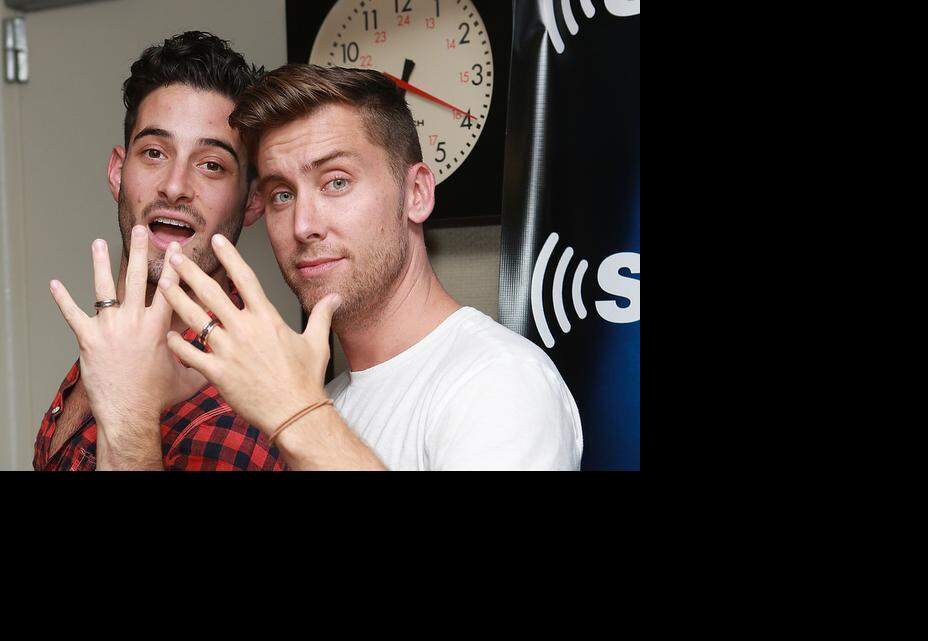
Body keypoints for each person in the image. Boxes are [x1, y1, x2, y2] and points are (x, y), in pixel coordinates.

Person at [157, 64, 582, 470]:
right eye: (282, 195)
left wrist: (296, 412)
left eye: (336, 182)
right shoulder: (328, 400)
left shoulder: (500, 381)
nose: (304, 226)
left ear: (416, 193)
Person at [39, 31, 285, 471]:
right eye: (154, 152)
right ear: (118, 172)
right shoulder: (109, 341)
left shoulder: (239, 415)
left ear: (251, 201)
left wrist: (129, 422)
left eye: (211, 165)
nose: (175, 185)